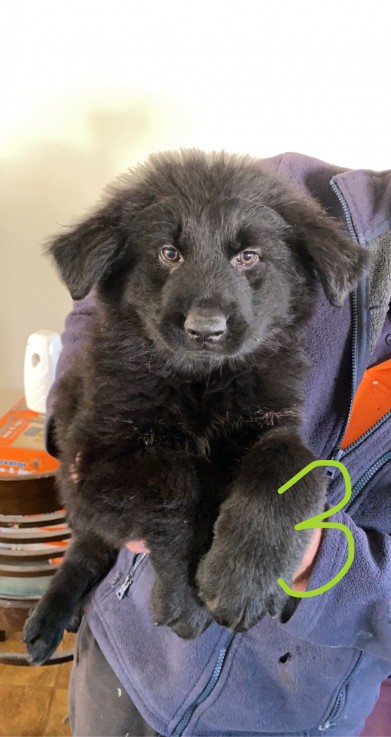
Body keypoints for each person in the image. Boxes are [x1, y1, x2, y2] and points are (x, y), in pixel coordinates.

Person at [45, 152, 391, 737]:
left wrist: (313, 556)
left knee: (288, 472)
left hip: (291, 706)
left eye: (249, 258)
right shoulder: (286, 192)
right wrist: (77, 416)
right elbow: (99, 293)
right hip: (129, 654)